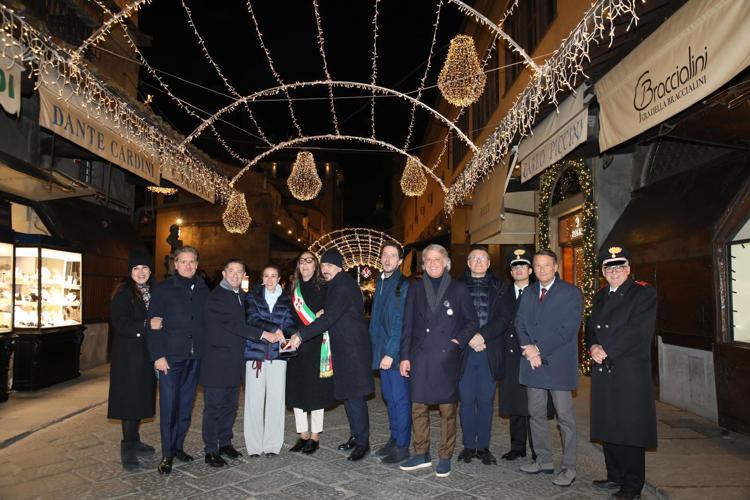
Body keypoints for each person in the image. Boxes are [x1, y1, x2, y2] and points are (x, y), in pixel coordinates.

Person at [398, 244, 478, 478]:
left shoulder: (459, 288)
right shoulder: (415, 288)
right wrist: (404, 357)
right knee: (418, 407)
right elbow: (408, 325)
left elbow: (471, 322)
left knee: (447, 410)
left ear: (446, 263)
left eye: (437, 259)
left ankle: (445, 456)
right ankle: (421, 453)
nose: (433, 263)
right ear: (423, 264)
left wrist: (457, 342)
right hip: (420, 356)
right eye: (428, 260)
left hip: (446, 357)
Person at [288, 249, 374, 462]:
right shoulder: (335, 284)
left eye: (329, 265)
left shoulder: (343, 285)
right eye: (323, 265)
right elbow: (330, 311)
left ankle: (363, 443)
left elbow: (331, 317)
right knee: (348, 397)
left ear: (339, 267)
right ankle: (355, 437)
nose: (325, 269)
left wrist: (301, 335)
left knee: (355, 397)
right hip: (342, 350)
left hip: (353, 351)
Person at [586, 246, 657, 500]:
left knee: (630, 427)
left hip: (628, 370)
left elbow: (638, 331)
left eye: (619, 267)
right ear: (603, 272)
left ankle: (632, 485)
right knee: (608, 423)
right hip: (604, 368)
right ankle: (614, 475)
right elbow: (591, 327)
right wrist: (592, 345)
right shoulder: (601, 295)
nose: (614, 272)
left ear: (628, 269)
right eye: (609, 268)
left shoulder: (643, 293)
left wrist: (606, 350)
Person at [516, 249, 583, 487]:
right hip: (532, 364)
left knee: (565, 418)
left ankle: (569, 467)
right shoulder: (529, 293)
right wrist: (528, 348)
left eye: (547, 265)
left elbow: (568, 330)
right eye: (538, 265)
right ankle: (543, 460)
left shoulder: (571, 293)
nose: (542, 269)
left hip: (558, 364)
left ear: (556, 267)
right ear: (532, 269)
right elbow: (520, 323)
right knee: (535, 414)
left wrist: (538, 349)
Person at [147, 246, 210, 474]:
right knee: (169, 406)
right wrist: (158, 356)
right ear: (175, 264)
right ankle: (166, 454)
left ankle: (178, 447)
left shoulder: (203, 289)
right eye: (183, 261)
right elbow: (152, 324)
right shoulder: (163, 289)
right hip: (170, 359)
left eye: (192, 261)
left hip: (194, 358)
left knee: (185, 405)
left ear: (197, 263)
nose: (188, 265)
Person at [201, 259, 268, 467]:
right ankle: (211, 449)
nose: (236, 275)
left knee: (230, 406)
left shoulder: (241, 295)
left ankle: (225, 443)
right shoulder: (216, 297)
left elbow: (249, 319)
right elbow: (234, 325)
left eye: (240, 272)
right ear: (224, 273)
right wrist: (263, 334)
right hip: (216, 361)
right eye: (232, 271)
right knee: (214, 407)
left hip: (234, 361)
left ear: (244, 275)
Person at [457, 245, 512, 465]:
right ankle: (469, 446)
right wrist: (469, 337)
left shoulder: (501, 287)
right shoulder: (456, 286)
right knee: (467, 401)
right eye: (474, 258)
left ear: (489, 263)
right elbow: (451, 318)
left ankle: (484, 447)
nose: (479, 262)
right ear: (468, 263)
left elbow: (503, 318)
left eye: (483, 258)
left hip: (489, 351)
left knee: (487, 402)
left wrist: (482, 337)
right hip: (465, 353)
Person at [107, 249, 157, 471]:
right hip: (128, 356)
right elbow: (121, 323)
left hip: (146, 355)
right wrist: (146, 327)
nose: (141, 272)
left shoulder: (152, 291)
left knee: (141, 397)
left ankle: (135, 440)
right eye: (136, 268)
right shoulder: (124, 293)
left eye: (145, 267)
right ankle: (127, 447)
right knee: (129, 400)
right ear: (130, 272)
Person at [287, 251, 336, 455]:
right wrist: (292, 334)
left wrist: (324, 312)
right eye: (302, 261)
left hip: (317, 344)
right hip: (297, 345)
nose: (305, 264)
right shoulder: (292, 289)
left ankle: (315, 436)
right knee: (297, 390)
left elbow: (332, 311)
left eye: (309, 261)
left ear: (315, 265)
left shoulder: (325, 287)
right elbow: (288, 318)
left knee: (315, 391)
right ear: (298, 266)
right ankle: (303, 435)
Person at [244, 264, 295, 458]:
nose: (270, 279)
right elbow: (252, 319)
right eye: (266, 276)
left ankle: (273, 445)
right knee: (253, 401)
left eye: (273, 276)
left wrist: (289, 334)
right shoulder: (252, 297)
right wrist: (274, 328)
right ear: (262, 278)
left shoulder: (287, 299)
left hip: (278, 356)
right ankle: (254, 446)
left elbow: (290, 323)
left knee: (276, 400)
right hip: (255, 354)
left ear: (279, 278)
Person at [369, 243, 411, 464]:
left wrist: (390, 353)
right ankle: (394, 439)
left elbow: (400, 322)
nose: (387, 259)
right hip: (382, 351)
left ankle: (403, 445)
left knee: (400, 400)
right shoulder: (381, 282)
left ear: (400, 261)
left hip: (393, 354)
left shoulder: (403, 285)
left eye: (393, 256)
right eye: (385, 255)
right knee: (389, 398)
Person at [498, 248, 539, 462]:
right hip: (511, 356)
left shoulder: (539, 293)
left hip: (532, 355)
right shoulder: (503, 293)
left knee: (533, 405)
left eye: (523, 266)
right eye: (515, 267)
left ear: (530, 270)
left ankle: (537, 449)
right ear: (511, 272)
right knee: (515, 403)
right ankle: (517, 447)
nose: (519, 269)